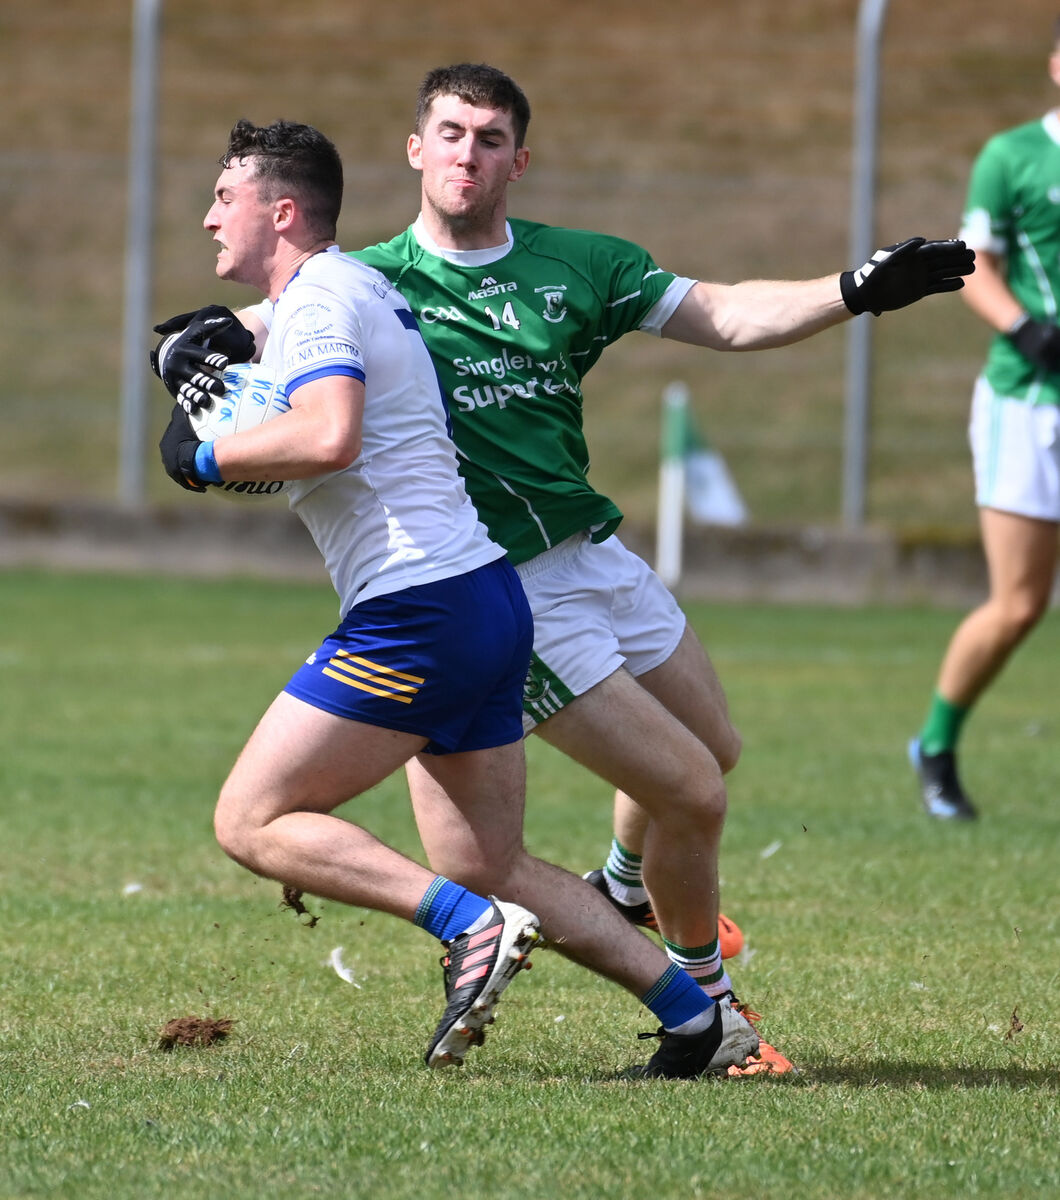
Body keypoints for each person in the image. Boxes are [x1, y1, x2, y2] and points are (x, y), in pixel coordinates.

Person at [153, 74, 973, 1075]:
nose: (467, 153)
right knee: (687, 796)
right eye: (448, 133)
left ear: (517, 160)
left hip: (583, 555)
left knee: (710, 752)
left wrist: (854, 289)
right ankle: (709, 1011)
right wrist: (214, 340)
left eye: (490, 138)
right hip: (504, 585)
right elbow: (283, 337)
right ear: (414, 150)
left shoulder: (570, 265)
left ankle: (625, 894)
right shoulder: (369, 277)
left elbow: (723, 312)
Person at [909, 22, 1060, 821]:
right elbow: (977, 265)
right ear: (1056, 65)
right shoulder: (1014, 157)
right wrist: (1029, 332)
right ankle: (935, 744)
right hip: (1029, 402)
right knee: (1020, 604)